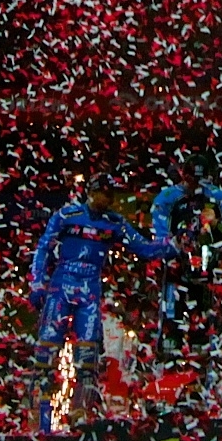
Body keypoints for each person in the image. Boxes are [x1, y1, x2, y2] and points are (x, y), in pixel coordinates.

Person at [29, 171, 173, 419]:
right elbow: (43, 248)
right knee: (46, 354)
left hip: (90, 289)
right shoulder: (66, 216)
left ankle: (81, 416)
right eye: (103, 193)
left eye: (110, 195)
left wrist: (173, 245)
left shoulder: (115, 222)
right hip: (61, 286)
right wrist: (37, 283)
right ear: (91, 192)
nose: (107, 199)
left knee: (88, 358)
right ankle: (38, 418)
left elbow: (143, 248)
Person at [150, 159, 222, 377]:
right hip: (176, 267)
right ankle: (168, 367)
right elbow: (158, 232)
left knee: (203, 322)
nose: (196, 184)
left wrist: (215, 225)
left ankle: (201, 372)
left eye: (201, 179)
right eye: (192, 179)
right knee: (171, 320)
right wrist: (175, 244)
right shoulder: (167, 197)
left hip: (206, 268)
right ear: (183, 175)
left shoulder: (216, 196)